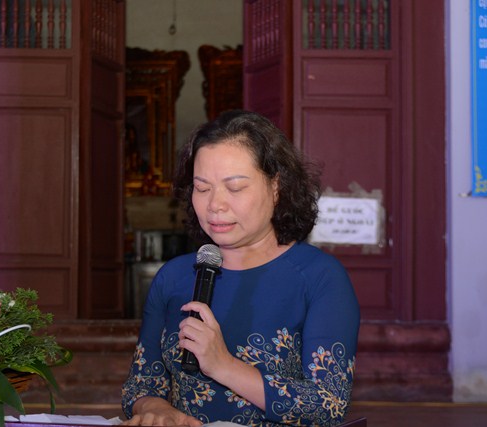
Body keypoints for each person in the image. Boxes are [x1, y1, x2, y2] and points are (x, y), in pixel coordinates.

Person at [121, 110, 360, 427]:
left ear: (276, 186)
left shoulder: (319, 277)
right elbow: (141, 385)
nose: (215, 205)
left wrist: (223, 365)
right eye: (202, 188)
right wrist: (156, 408)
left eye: (234, 188)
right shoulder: (173, 277)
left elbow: (328, 405)